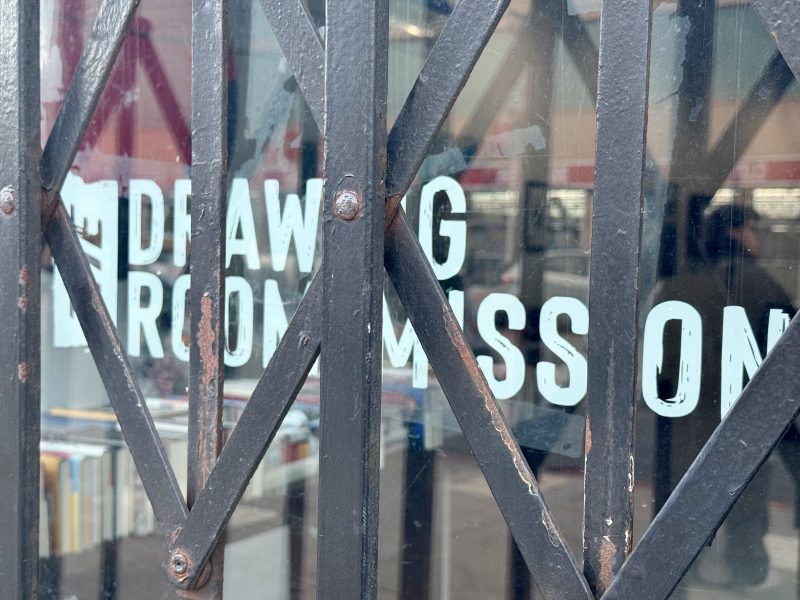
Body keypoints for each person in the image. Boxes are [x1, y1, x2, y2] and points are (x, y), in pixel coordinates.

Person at [655, 203, 795, 587]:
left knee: (683, 509)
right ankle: (744, 573)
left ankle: (681, 578)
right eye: (754, 228)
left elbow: (658, 373)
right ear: (736, 233)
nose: (760, 237)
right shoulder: (762, 284)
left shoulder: (678, 286)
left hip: (686, 425)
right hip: (741, 423)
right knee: (744, 503)